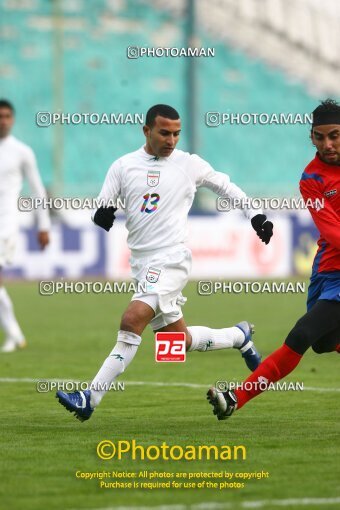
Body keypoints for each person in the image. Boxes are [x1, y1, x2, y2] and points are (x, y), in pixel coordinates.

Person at [56, 104, 273, 421]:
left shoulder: (189, 164)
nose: (171, 140)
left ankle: (89, 397)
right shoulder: (123, 166)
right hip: (142, 265)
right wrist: (102, 214)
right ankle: (240, 336)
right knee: (175, 343)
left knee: (132, 321)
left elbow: (224, 185)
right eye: (164, 132)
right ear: (146, 131)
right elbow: (103, 206)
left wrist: (255, 215)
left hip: (171, 259)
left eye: (176, 133)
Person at [207, 99, 340, 420]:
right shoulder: (312, 178)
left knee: (301, 336)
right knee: (324, 342)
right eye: (320, 137)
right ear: (311, 137)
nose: (328, 144)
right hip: (329, 269)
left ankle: (235, 397)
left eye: (335, 135)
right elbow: (332, 232)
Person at [0, 99, 50, 353]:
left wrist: (43, 225)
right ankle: (16, 335)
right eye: (0, 116)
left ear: (13, 119)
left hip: (5, 225)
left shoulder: (21, 151)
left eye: (7, 116)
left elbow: (37, 190)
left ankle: (15, 335)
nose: (3, 120)